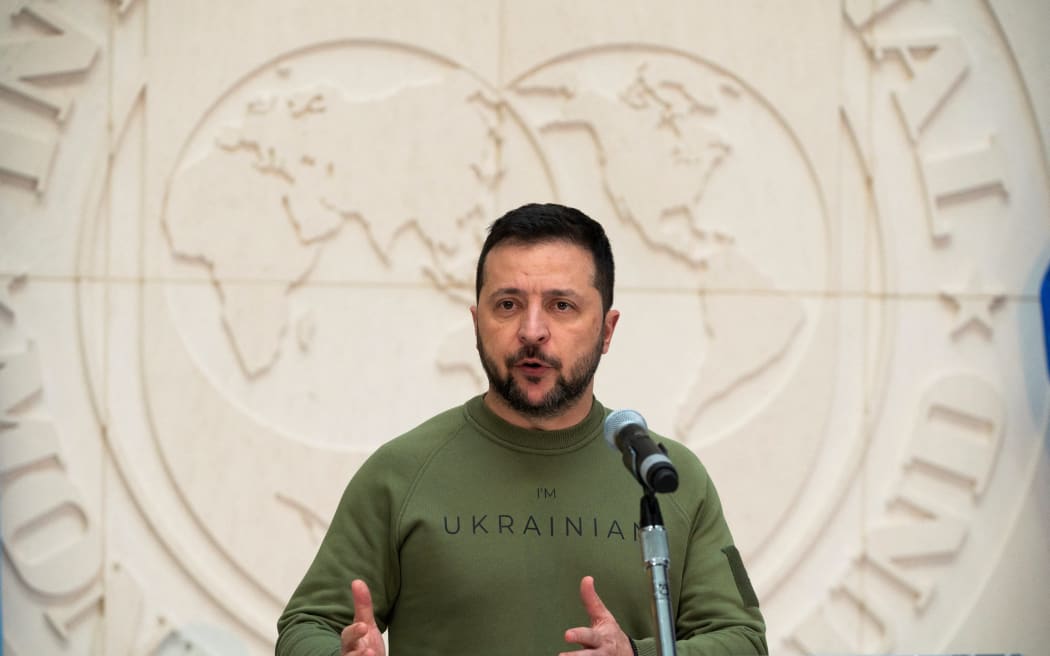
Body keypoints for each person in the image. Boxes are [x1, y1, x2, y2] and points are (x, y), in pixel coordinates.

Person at [276, 203, 767, 655]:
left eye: (562, 306)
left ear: (608, 330)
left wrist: (637, 655)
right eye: (508, 304)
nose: (532, 331)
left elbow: (743, 641)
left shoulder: (665, 477)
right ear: (476, 323)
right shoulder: (400, 473)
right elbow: (306, 625)